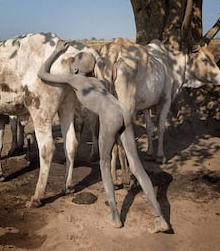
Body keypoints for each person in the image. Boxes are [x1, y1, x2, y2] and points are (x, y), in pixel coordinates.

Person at [38, 40, 170, 233]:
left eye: (73, 62)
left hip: (110, 117)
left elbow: (42, 73)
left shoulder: (73, 80)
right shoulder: (99, 82)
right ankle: (159, 218)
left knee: (105, 164)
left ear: (75, 68)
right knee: (136, 166)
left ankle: (115, 214)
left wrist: (57, 51)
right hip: (123, 111)